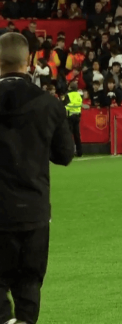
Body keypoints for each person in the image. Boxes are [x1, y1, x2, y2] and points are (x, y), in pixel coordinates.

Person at [0, 32, 74, 324]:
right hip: (34, 209)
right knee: (29, 282)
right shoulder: (49, 104)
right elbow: (65, 155)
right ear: (28, 60)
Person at [63, 81, 83, 157]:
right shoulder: (79, 95)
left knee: (68, 135)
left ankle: (69, 152)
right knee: (77, 135)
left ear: (70, 87)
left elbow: (63, 104)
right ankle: (79, 151)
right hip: (77, 116)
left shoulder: (68, 95)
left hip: (69, 116)